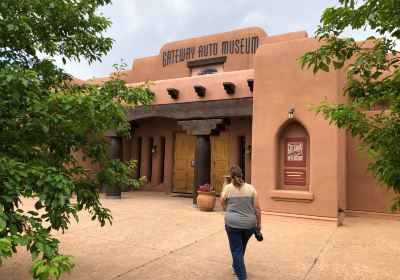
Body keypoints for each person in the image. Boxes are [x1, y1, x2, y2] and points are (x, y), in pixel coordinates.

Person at [220, 165, 261, 280]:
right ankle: (235, 266)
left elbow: (222, 202)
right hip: (249, 225)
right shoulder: (251, 188)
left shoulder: (228, 188)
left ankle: (242, 277)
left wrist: (227, 209)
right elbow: (257, 208)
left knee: (236, 249)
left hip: (233, 223)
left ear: (231, 177)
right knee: (241, 247)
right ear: (241, 175)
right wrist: (259, 223)